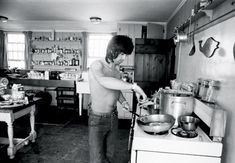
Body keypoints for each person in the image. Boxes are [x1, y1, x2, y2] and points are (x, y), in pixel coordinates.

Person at [88, 35, 147, 163]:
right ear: (112, 51)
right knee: (96, 158)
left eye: (126, 55)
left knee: (110, 155)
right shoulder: (97, 65)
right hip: (97, 119)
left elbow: (116, 89)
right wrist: (133, 87)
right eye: (122, 54)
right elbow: (104, 82)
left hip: (113, 117)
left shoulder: (116, 71)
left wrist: (124, 101)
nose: (124, 58)